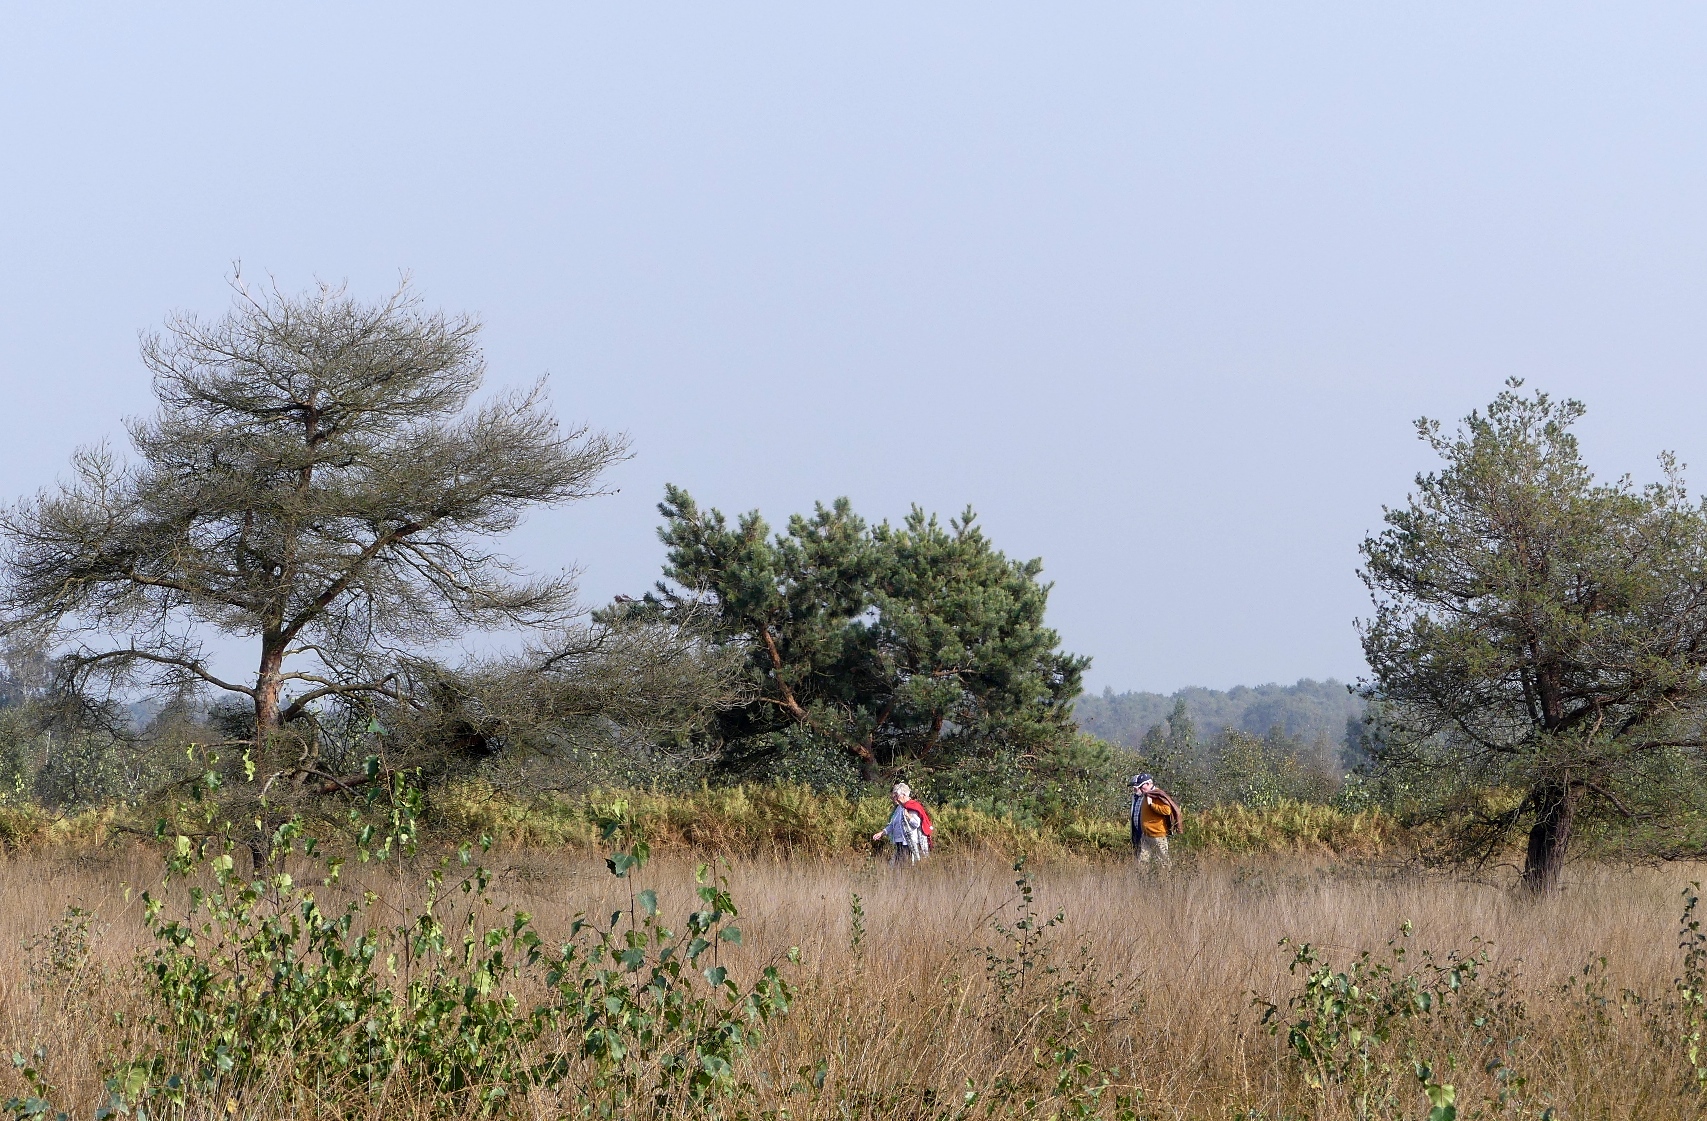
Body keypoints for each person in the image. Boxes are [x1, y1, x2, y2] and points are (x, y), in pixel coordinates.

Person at [872, 782, 931, 864]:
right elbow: (892, 825)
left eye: (896, 795)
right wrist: (881, 833)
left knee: (906, 866)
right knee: (897, 866)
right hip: (899, 843)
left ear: (904, 795)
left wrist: (909, 817)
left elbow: (916, 824)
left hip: (908, 844)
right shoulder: (899, 808)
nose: (895, 798)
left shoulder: (912, 806)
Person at [1129, 773, 1182, 864]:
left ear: (1149, 784)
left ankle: (1167, 874)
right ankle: (1143, 874)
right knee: (1142, 861)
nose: (1140, 789)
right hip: (1146, 835)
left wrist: (1152, 805)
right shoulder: (1146, 794)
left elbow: (1167, 810)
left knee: (1163, 861)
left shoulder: (1157, 794)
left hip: (1158, 835)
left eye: (1142, 786)